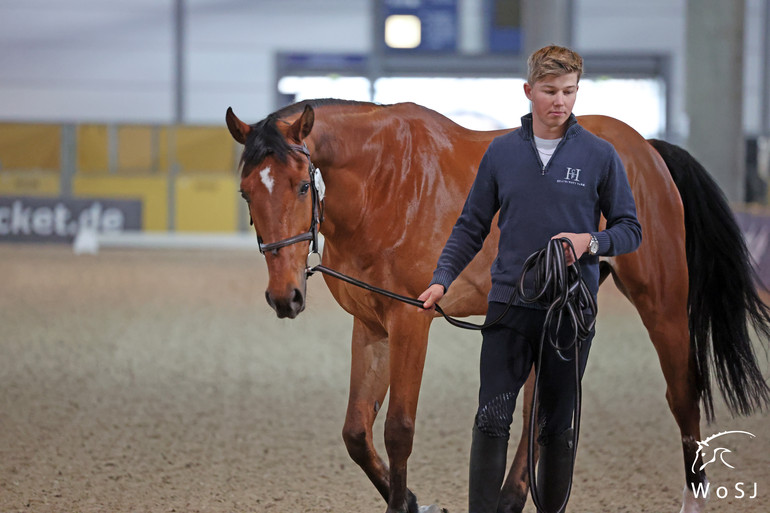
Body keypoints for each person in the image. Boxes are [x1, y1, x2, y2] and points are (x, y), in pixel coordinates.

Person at [418, 45, 642, 513]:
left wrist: (590, 243)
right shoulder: (501, 153)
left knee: (556, 426)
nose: (559, 101)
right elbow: (471, 225)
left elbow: (629, 229)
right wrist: (442, 279)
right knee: (492, 418)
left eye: (568, 91)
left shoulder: (600, 155)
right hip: (509, 307)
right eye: (549, 91)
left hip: (570, 313)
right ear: (528, 91)